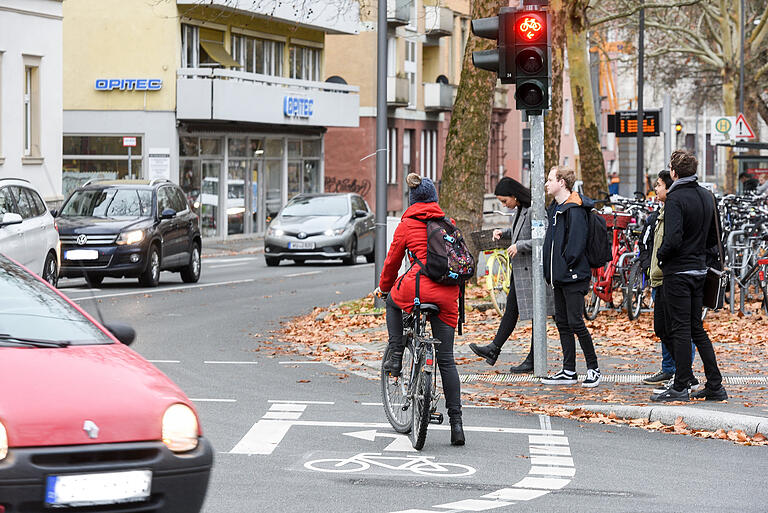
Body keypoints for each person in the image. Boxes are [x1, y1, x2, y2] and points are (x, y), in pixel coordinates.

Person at [377, 173, 465, 445]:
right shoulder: (448, 224)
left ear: (413, 200)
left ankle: (394, 355)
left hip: (417, 289)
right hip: (449, 295)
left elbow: (392, 263)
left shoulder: (406, 225)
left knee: (392, 300)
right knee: (446, 359)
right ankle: (457, 425)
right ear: (435, 200)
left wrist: (382, 289)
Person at [652, 150, 727, 402]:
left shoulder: (675, 198)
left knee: (680, 329)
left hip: (678, 271)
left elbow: (672, 239)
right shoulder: (707, 196)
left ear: (673, 172)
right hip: (699, 270)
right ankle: (715, 385)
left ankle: (681, 385)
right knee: (696, 328)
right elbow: (713, 237)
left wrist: (662, 255)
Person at [469, 177, 539, 373]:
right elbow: (520, 232)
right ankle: (494, 349)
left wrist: (519, 245)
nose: (504, 205)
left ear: (514, 196)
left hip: (531, 271)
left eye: (504, 201)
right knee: (511, 310)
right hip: (520, 270)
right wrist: (505, 233)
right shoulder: (520, 210)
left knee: (536, 315)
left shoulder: (534, 210)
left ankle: (534, 358)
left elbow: (541, 238)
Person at [541, 166, 601, 387]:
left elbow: (575, 244)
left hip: (572, 275)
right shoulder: (557, 208)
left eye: (550, 180)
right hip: (559, 276)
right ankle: (569, 370)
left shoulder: (574, 209)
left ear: (562, 183)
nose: (546, 184)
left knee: (576, 322)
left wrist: (565, 265)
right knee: (563, 322)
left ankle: (593, 368)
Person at [641, 170, 697, 386]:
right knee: (663, 328)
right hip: (658, 277)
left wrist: (661, 260)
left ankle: (683, 372)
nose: (655, 189)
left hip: (671, 277)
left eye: (658, 185)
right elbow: (646, 245)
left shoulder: (675, 212)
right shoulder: (656, 216)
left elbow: (672, 243)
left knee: (680, 328)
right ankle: (670, 369)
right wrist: (648, 267)